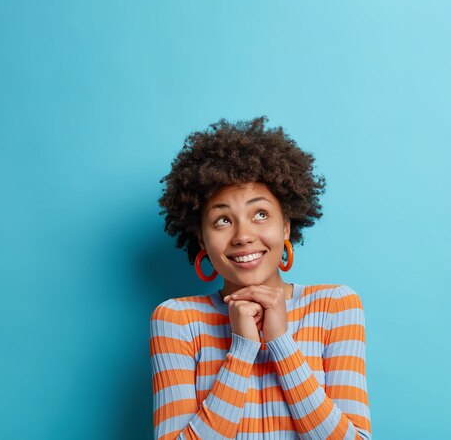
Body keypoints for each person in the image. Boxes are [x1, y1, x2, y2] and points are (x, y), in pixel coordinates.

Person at [150, 116, 372, 439]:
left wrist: (281, 343)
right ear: (201, 238)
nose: (243, 235)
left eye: (261, 214)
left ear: (286, 226)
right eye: (223, 220)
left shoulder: (335, 307)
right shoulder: (176, 321)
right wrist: (241, 352)